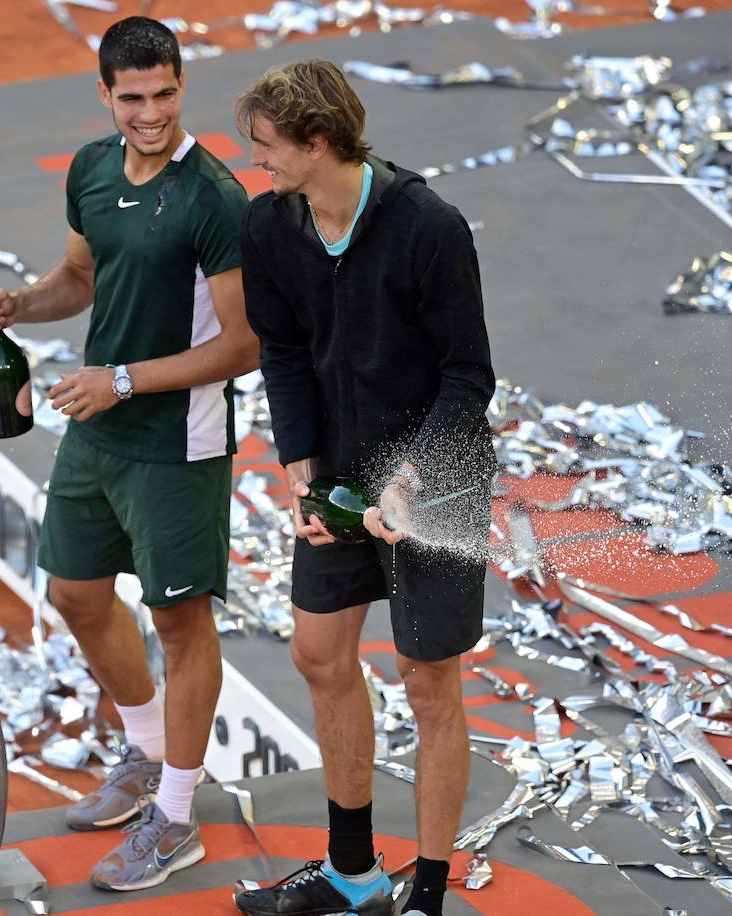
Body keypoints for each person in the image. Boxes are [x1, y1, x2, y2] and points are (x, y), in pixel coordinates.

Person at [0, 16, 256, 892]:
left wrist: (122, 381)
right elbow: (81, 279)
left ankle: (176, 814)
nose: (151, 113)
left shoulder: (214, 197)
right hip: (103, 426)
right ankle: (147, 753)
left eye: (165, 94)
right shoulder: (93, 170)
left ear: (180, 88)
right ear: (106, 95)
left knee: (180, 621)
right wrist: (18, 304)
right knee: (77, 593)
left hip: (177, 438)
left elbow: (243, 347)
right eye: (133, 98)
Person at [232, 60, 496, 916]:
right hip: (338, 471)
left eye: (268, 148)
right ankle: (352, 874)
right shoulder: (270, 227)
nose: (256, 162)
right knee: (319, 654)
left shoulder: (428, 226)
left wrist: (410, 481)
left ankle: (426, 894)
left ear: (318, 144)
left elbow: (468, 378)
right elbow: (280, 350)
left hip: (439, 477)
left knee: (428, 681)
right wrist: (303, 467)